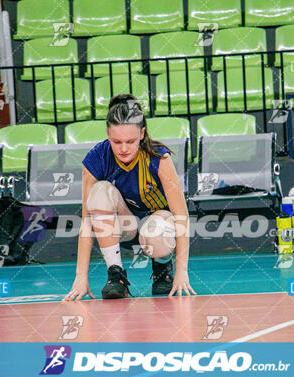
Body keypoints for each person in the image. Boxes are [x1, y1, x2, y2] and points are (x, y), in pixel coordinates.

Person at [63, 94, 196, 300]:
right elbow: (87, 221)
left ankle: (162, 267)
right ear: (108, 135)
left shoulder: (159, 158)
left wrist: (182, 272)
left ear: (142, 133)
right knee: (99, 193)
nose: (123, 149)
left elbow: (181, 215)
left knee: (156, 232)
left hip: (157, 227)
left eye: (130, 141)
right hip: (123, 227)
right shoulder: (96, 158)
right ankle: (116, 275)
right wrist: (81, 276)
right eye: (116, 141)